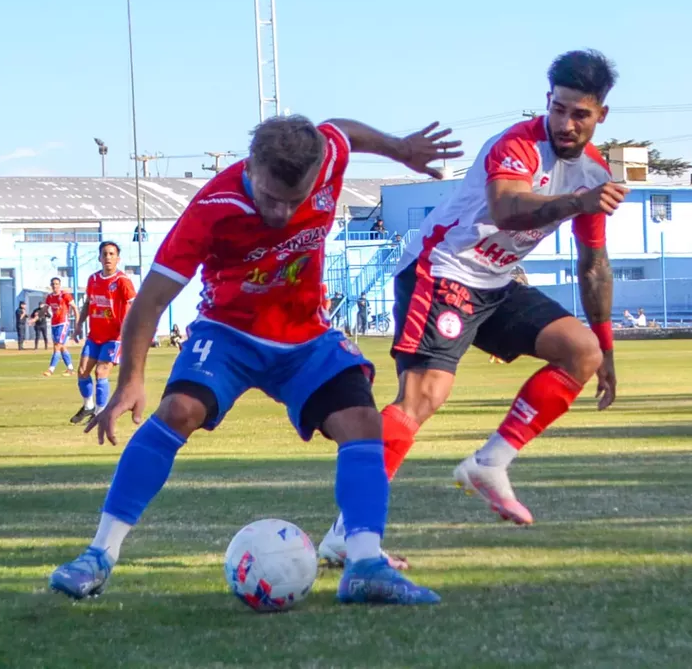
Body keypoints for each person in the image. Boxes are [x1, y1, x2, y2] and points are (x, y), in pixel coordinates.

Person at [49, 114, 461, 605]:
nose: (283, 213)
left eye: (295, 200)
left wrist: (400, 149)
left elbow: (342, 130)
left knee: (363, 423)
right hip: (229, 333)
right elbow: (150, 300)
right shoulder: (212, 208)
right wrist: (130, 381)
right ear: (250, 167)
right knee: (178, 411)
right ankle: (98, 555)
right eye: (270, 198)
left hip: (306, 334)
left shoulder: (327, 154)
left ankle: (365, 565)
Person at [318, 50, 629, 564]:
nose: (565, 123)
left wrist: (609, 349)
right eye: (558, 109)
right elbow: (507, 209)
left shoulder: (593, 172)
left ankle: (490, 463)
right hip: (442, 269)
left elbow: (594, 265)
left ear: (601, 115)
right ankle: (345, 533)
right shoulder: (517, 144)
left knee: (582, 351)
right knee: (423, 398)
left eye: (580, 114)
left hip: (496, 283)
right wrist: (580, 202)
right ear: (547, 101)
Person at [69, 243, 137, 425]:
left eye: (112, 254)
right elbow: (88, 303)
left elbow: (134, 305)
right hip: (95, 335)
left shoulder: (122, 281)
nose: (108, 257)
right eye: (105, 254)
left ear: (118, 258)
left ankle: (100, 413)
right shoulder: (93, 279)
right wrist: (79, 324)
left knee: (101, 372)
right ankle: (89, 406)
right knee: (83, 371)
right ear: (99, 258)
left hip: (115, 337)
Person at [43, 278, 77, 377]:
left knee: (57, 346)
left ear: (60, 285)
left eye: (57, 284)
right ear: (51, 285)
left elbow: (74, 307)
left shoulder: (65, 295)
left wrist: (77, 321)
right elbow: (45, 308)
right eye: (53, 284)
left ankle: (51, 370)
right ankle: (70, 369)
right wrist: (36, 318)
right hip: (54, 323)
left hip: (63, 323)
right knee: (62, 347)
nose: (55, 286)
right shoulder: (49, 297)